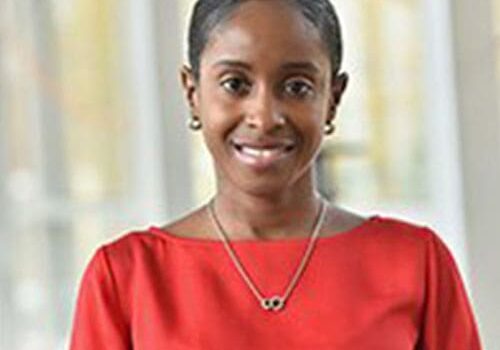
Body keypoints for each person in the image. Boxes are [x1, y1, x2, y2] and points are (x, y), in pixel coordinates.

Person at [69, 0, 482, 349]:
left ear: (333, 100)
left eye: (297, 87)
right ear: (192, 93)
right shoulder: (125, 278)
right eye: (235, 84)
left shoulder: (415, 263)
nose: (265, 117)